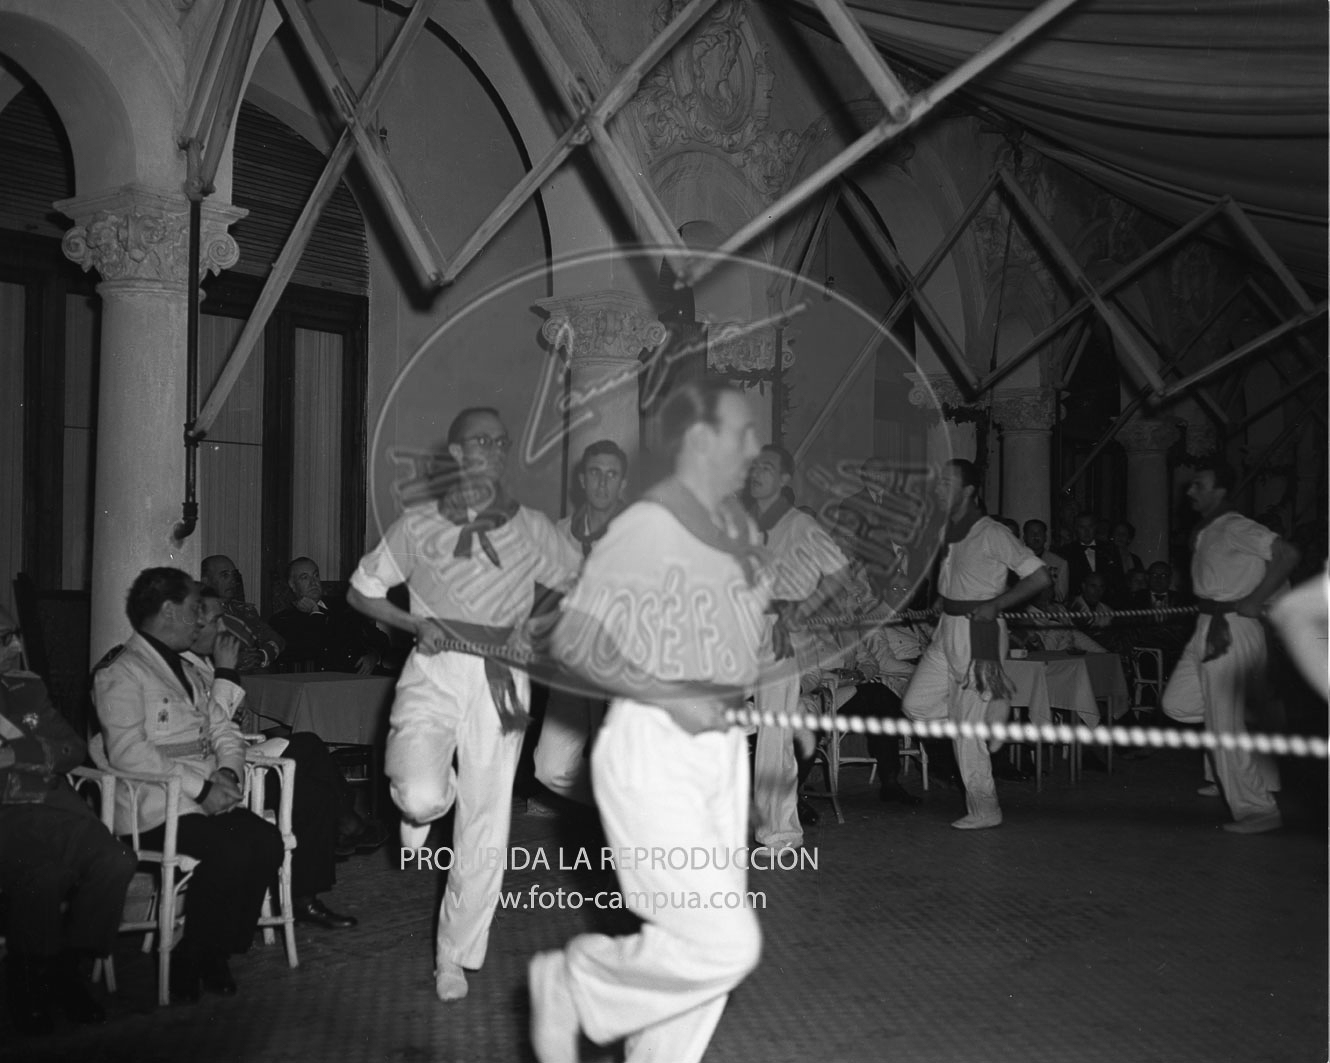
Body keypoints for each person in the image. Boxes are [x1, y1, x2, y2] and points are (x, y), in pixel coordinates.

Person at [528, 378, 766, 1063]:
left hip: (719, 752)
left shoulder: (734, 529)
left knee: (688, 954)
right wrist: (670, 693)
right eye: (742, 431)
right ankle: (576, 980)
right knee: (725, 940)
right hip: (654, 747)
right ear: (700, 439)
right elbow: (575, 640)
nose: (755, 446)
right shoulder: (647, 524)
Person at [347, 406, 579, 1002]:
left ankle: (453, 955)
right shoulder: (420, 523)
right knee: (420, 791)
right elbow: (362, 590)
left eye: (502, 443)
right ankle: (424, 806)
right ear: (455, 454)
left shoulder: (529, 525)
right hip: (434, 668)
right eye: (482, 441)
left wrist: (538, 625)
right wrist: (409, 624)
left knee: (486, 821)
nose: (495, 451)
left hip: (502, 677)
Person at [92, 567, 284, 1001]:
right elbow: (128, 753)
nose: (200, 622)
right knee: (231, 851)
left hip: (202, 799)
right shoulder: (120, 672)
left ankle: (212, 950)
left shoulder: (188, 671)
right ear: (168, 610)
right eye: (195, 611)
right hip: (153, 806)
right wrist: (202, 788)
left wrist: (230, 772)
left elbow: (223, 731)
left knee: (266, 842)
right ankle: (194, 956)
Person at [0, 608, 136, 1034]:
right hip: (6, 815)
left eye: (16, 635)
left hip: (57, 807)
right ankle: (31, 984)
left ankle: (68, 968)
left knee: (116, 861)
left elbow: (73, 749)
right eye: (4, 639)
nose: (17, 647)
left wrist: (22, 754)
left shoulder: (26, 687)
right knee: (41, 878)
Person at [189, 589, 359, 927]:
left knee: (307, 746)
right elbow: (207, 730)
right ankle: (335, 843)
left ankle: (340, 829)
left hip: (236, 756)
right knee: (312, 789)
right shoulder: (187, 669)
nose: (225, 628)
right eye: (215, 621)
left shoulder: (205, 664)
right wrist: (225, 673)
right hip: (215, 776)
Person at [902, 460, 1050, 830]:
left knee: (965, 731)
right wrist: (943, 599)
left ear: (969, 491)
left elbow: (1039, 576)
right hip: (946, 630)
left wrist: (997, 603)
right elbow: (960, 579)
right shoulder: (950, 530)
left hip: (977, 635)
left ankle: (985, 809)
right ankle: (989, 713)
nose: (938, 488)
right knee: (916, 705)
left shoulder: (992, 532)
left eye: (947, 483)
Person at [1162, 459, 1301, 834]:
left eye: (1199, 485)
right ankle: (1238, 757)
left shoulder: (1236, 526)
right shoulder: (1208, 530)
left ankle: (1258, 809)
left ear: (1220, 490)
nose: (1190, 491)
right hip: (1207, 627)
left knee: (1226, 725)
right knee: (1178, 704)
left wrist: (1256, 599)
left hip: (1232, 629)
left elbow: (1287, 555)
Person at [746, 444, 858, 847]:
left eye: (767, 468)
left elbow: (840, 573)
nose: (757, 473)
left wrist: (801, 610)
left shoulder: (799, 525)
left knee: (774, 733)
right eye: (754, 466)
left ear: (784, 480)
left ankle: (780, 831)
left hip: (779, 633)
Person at [529, 440, 628, 813]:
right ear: (582, 480)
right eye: (595, 474)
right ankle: (608, 808)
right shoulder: (559, 533)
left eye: (611, 475)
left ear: (622, 484)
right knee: (549, 767)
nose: (602, 483)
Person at [269, 557, 391, 675]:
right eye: (304, 577)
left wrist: (374, 656)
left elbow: (381, 638)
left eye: (316, 575)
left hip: (367, 676)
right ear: (293, 585)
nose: (313, 582)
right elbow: (316, 648)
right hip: (328, 683)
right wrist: (315, 613)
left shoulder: (343, 606)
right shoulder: (283, 620)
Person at [840, 455, 914, 596]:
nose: (879, 475)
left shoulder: (902, 502)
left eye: (883, 471)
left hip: (902, 576)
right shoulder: (851, 503)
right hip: (868, 576)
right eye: (873, 471)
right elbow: (847, 540)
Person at [200, 554, 286, 672]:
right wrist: (232, 660)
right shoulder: (199, 614)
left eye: (233, 575)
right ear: (206, 581)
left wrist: (261, 656)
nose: (232, 580)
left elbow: (277, 640)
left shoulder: (246, 611)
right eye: (225, 575)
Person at [1061, 511, 1124, 605]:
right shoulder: (1066, 552)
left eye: (1090, 526)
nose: (1086, 531)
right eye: (1082, 527)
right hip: (1078, 606)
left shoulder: (1109, 549)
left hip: (1107, 604)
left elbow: (1118, 579)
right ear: (1076, 529)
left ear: (1096, 527)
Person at [1023, 519, 1069, 603]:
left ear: (1045, 537)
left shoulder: (1059, 563)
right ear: (1024, 537)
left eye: (1039, 533)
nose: (1035, 536)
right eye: (1031, 533)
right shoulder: (1016, 559)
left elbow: (1061, 596)